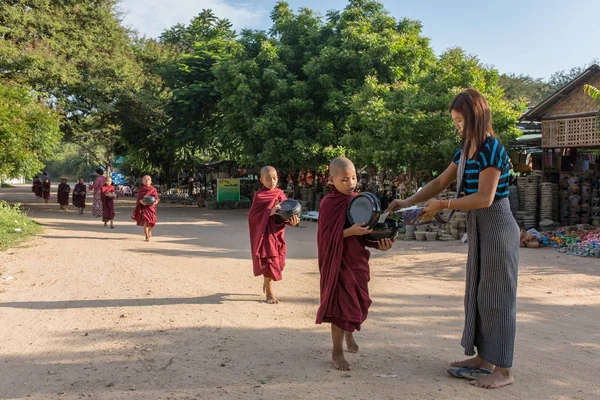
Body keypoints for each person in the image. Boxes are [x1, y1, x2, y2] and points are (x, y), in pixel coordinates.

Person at [387, 88, 519, 389]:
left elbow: (485, 198)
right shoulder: (466, 149)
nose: (457, 127)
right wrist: (406, 202)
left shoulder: (492, 148)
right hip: (479, 228)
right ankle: (485, 359)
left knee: (499, 296)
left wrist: (443, 205)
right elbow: (439, 182)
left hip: (497, 225)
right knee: (479, 294)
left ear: (476, 116)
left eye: (460, 121)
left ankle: (504, 369)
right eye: (455, 122)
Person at [316, 157, 393, 371]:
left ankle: (349, 335)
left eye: (354, 178)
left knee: (354, 303)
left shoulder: (360, 201)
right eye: (344, 179)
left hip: (356, 262)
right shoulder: (329, 204)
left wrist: (381, 243)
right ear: (332, 180)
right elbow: (325, 236)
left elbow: (367, 233)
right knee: (340, 306)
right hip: (338, 264)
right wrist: (349, 231)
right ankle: (336, 352)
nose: (351, 183)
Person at [248, 166, 300, 304]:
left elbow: (286, 214)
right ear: (261, 180)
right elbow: (253, 217)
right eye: (268, 179)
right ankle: (270, 293)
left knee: (279, 262)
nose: (272, 181)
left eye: (274, 178)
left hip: (277, 234)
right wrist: (269, 212)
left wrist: (293, 222)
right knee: (269, 261)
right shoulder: (259, 196)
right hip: (265, 235)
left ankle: (267, 280)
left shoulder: (279, 194)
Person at [132, 175, 160, 241]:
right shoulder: (141, 190)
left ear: (151, 181)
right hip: (144, 208)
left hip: (151, 208)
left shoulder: (153, 189)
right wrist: (141, 201)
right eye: (145, 179)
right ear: (143, 181)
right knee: (146, 221)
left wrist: (156, 201)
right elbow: (139, 199)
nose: (147, 180)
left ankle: (149, 230)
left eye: (148, 179)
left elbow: (157, 198)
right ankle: (147, 236)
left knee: (153, 222)